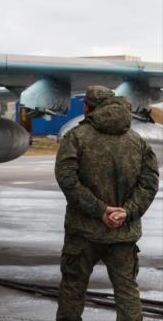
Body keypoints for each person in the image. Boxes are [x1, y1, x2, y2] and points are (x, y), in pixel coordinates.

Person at [55, 86, 159, 321]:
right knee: (127, 292)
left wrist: (100, 211)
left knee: (73, 288)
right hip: (123, 234)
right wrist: (127, 212)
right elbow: (150, 182)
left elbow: (67, 178)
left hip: (83, 233)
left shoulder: (76, 138)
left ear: (87, 107)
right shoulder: (137, 141)